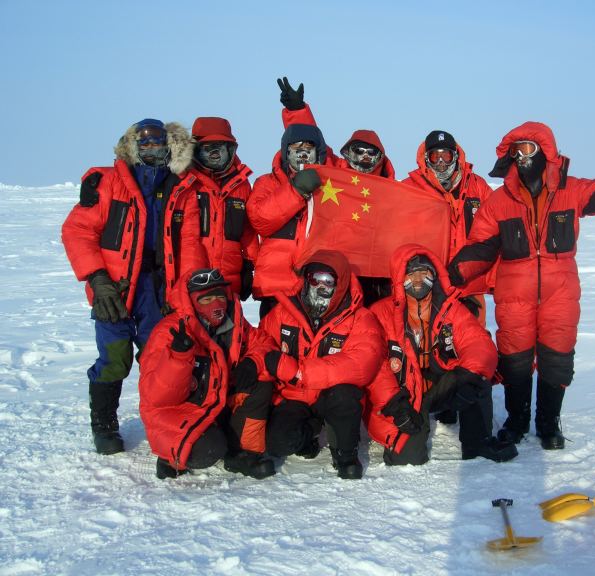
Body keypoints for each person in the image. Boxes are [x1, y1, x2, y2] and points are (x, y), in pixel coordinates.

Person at [448, 121, 595, 450]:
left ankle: (547, 422)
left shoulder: (571, 191)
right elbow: (481, 248)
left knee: (556, 358)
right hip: (513, 293)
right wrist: (450, 276)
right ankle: (516, 421)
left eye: (528, 148)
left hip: (560, 292)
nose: (521, 156)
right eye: (515, 150)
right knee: (515, 360)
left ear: (546, 152)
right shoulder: (499, 202)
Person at [62, 118, 206, 455]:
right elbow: (77, 231)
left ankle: (165, 422)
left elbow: (190, 246)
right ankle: (104, 422)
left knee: (161, 359)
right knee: (115, 357)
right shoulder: (110, 182)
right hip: (115, 287)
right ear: (132, 147)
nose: (152, 149)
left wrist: (183, 294)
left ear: (171, 146)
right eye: (145, 144)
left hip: (160, 287)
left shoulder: (182, 186)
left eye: (158, 143)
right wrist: (97, 279)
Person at [364, 244, 518, 465]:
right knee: (407, 458)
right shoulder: (380, 313)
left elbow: (478, 343)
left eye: (423, 272)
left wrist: (467, 376)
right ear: (399, 277)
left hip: (437, 385)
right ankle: (404, 435)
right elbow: (372, 363)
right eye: (411, 273)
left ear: (434, 275)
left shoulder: (449, 307)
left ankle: (478, 443)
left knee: (477, 377)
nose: (417, 279)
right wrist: (393, 403)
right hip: (403, 394)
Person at [139, 268, 277, 479]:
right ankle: (170, 457)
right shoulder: (169, 332)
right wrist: (178, 359)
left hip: (216, 405)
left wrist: (252, 361)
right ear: (192, 302)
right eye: (206, 299)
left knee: (261, 378)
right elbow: (157, 397)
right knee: (209, 449)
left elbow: (264, 343)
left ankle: (243, 452)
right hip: (179, 412)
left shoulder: (234, 323)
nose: (216, 305)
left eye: (220, 297)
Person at [259, 250, 386, 479]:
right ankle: (309, 433)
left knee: (346, 394)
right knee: (277, 443)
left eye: (328, 281)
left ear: (340, 283)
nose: (320, 286)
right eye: (315, 279)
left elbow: (361, 362)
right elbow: (262, 342)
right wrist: (267, 360)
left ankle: (346, 454)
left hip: (332, 394)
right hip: (294, 395)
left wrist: (301, 372)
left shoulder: (360, 318)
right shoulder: (284, 311)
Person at [402, 129, 496, 425]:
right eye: (434, 156)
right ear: (425, 159)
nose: (441, 162)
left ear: (456, 156)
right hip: (430, 282)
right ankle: (432, 399)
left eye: (445, 156)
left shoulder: (478, 188)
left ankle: (465, 406)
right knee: (429, 342)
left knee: (470, 345)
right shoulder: (411, 188)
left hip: (470, 282)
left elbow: (498, 229)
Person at [276, 77, 396, 305]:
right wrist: (297, 111)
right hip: (340, 273)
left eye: (371, 153)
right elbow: (312, 142)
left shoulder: (394, 190)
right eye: (358, 151)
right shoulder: (335, 174)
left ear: (381, 157)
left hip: (379, 277)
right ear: (348, 153)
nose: (364, 157)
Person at [246, 97, 335, 319]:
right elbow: (260, 220)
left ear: (319, 153)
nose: (302, 153)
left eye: (309, 148)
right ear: (285, 152)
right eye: (296, 147)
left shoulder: (332, 183)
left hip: (319, 290)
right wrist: (296, 191)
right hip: (277, 291)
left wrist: (298, 113)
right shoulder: (267, 183)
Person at [180, 117, 259, 300]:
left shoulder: (241, 185)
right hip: (190, 277)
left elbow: (248, 232)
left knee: (230, 326)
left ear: (230, 149)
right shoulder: (185, 181)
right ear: (195, 150)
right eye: (207, 148)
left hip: (228, 277)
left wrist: (249, 265)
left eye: (220, 147)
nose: (214, 153)